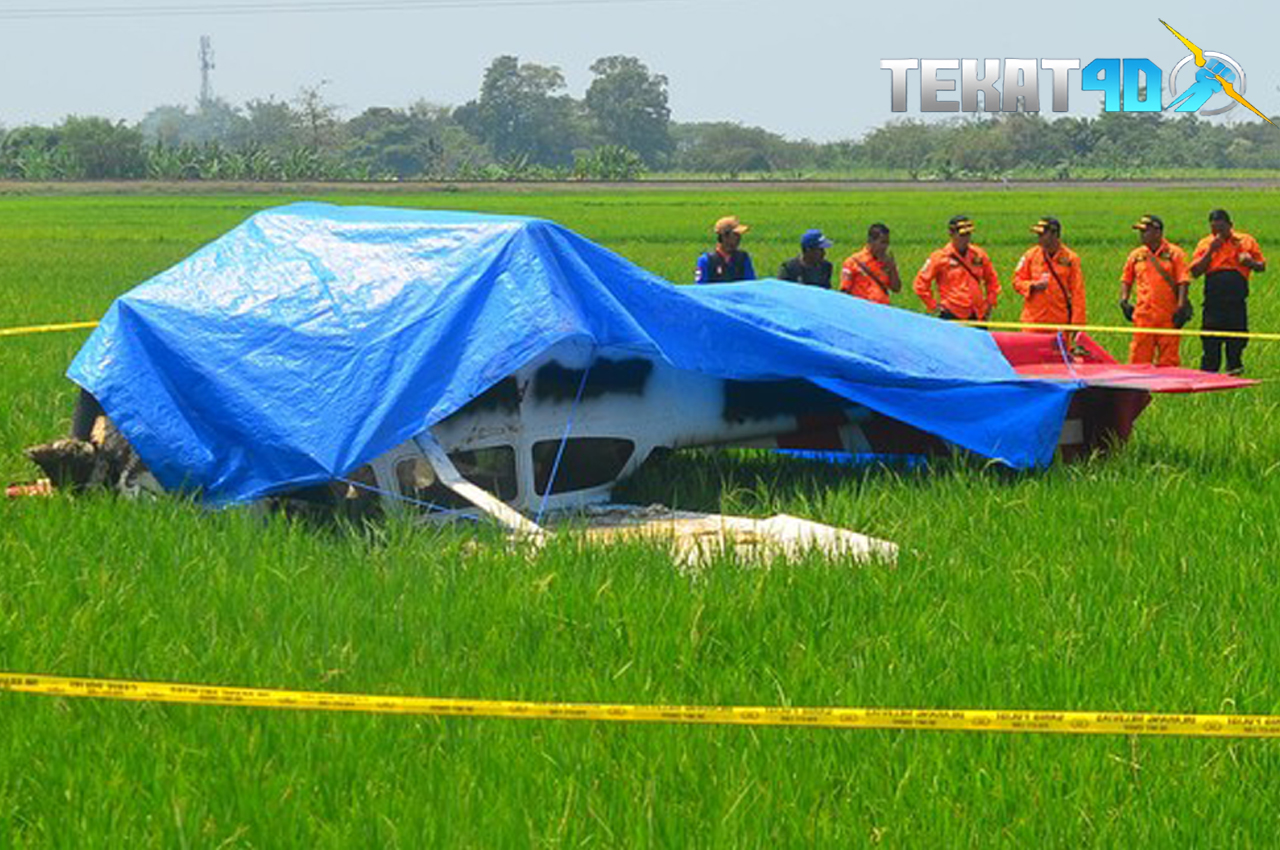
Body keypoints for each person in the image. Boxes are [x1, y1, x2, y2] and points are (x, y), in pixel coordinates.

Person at [1190, 209, 1266, 375]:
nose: (1218, 233)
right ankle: (1208, 381)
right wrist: (1211, 250)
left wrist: (1250, 262)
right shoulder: (1206, 243)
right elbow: (1195, 272)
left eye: (1221, 229)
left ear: (1230, 226)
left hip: (1236, 302)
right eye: (1214, 230)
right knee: (1210, 343)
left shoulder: (1246, 241)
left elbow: (1262, 266)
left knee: (1236, 342)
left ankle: (1234, 376)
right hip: (1213, 302)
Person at [1119, 214, 1192, 367]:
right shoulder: (1136, 255)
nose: (1142, 235)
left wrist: (1181, 306)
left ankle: (1168, 388)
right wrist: (1124, 300)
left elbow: (1183, 281)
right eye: (1141, 232)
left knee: (1169, 358)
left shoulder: (1174, 254)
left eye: (1145, 231)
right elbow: (1126, 279)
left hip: (1168, 315)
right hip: (1143, 315)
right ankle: (1139, 389)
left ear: (1158, 232)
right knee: (1139, 358)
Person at [913, 215, 999, 321]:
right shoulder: (939, 257)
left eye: (969, 234)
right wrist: (933, 306)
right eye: (962, 235)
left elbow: (992, 279)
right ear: (951, 234)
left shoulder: (978, 254)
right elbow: (920, 285)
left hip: (978, 314)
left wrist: (990, 302)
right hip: (952, 313)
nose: (966, 238)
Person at [1011, 216, 1086, 335]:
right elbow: (1016, 281)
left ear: (1054, 234)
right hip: (1033, 322)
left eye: (1042, 235)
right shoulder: (1030, 255)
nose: (1039, 238)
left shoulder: (1071, 259)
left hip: (1059, 323)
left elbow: (1078, 293)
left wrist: (1077, 326)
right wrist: (1032, 286)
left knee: (1058, 353)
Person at [840, 223, 901, 305]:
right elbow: (844, 291)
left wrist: (892, 269)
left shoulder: (886, 262)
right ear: (871, 241)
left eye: (887, 243)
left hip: (882, 310)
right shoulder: (853, 262)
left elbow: (896, 288)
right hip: (862, 310)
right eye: (882, 242)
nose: (885, 247)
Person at [695, 216, 756, 284]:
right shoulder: (706, 260)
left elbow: (751, 284)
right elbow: (700, 288)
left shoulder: (743, 258)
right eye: (735, 235)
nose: (739, 238)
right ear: (724, 236)